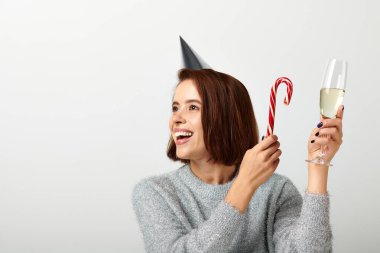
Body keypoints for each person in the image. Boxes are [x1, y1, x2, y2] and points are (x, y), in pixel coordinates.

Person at [132, 68, 343, 252]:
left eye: (193, 107)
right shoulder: (155, 193)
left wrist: (318, 165)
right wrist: (244, 185)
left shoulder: (277, 191)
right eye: (175, 107)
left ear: (226, 118)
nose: (175, 118)